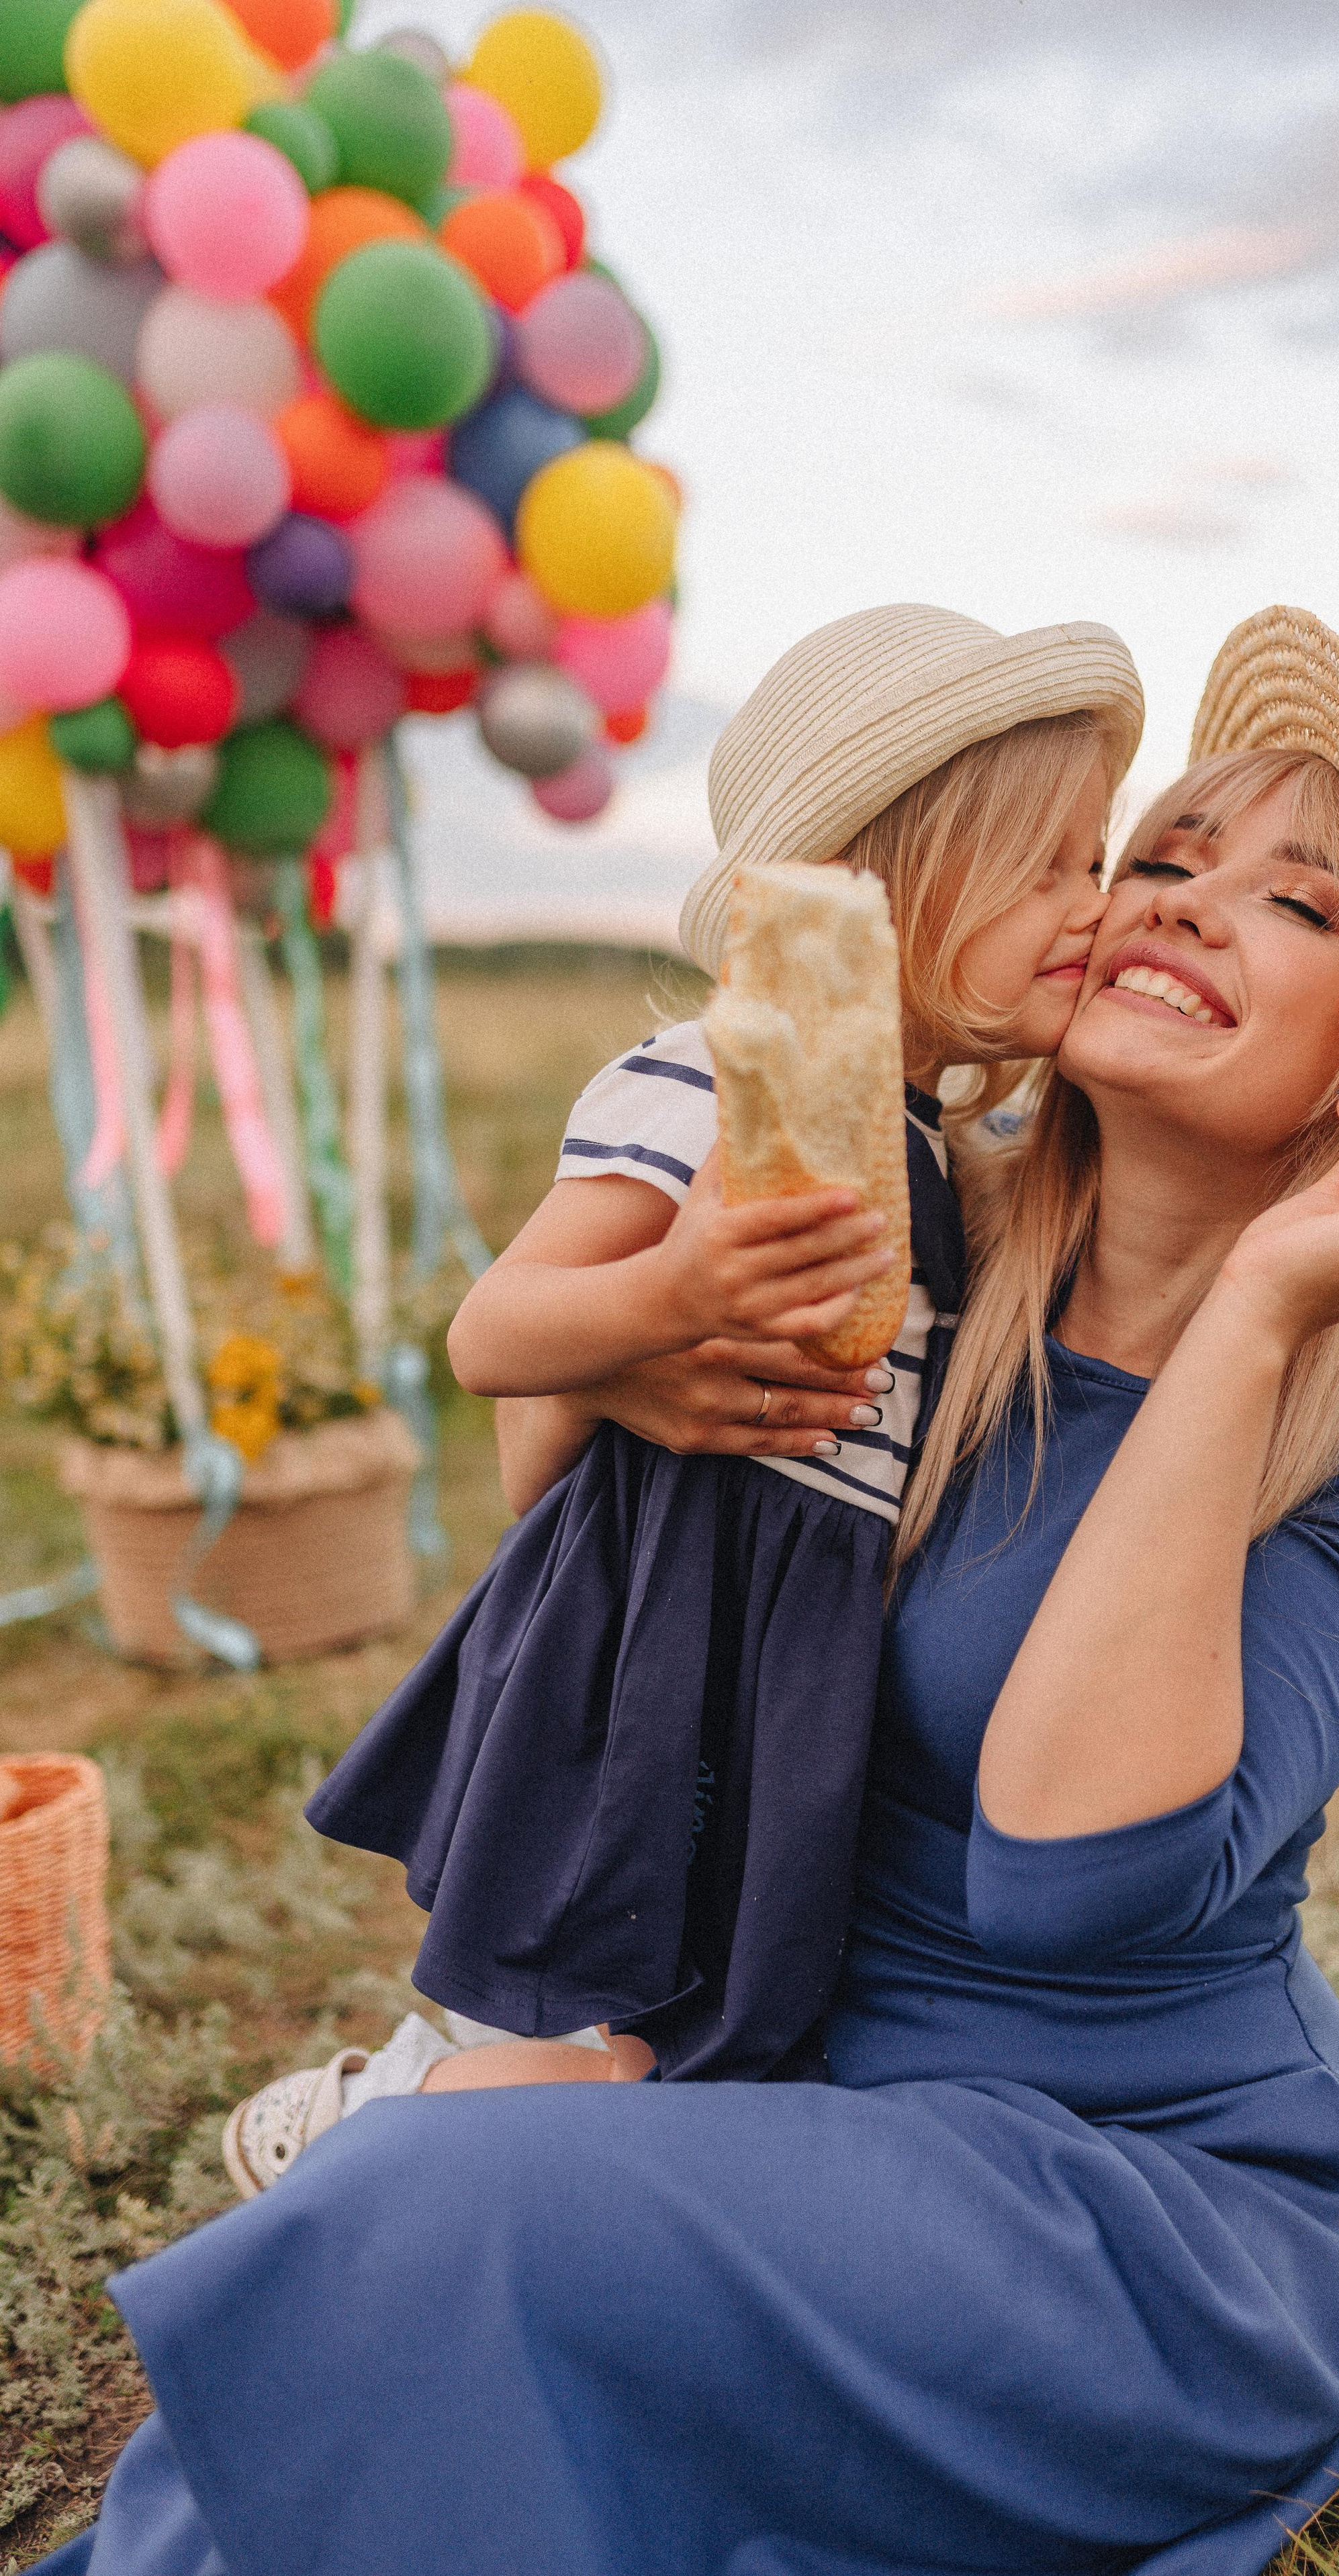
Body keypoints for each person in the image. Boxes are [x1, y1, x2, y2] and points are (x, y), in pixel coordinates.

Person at [41, 608, 1339, 2576]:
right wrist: (633, 1344)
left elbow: (1063, 1857)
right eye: (1168, 856)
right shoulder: (916, 1240)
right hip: (785, 2082)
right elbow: (589, 1522)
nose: (1182, 906)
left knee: (444, 2214)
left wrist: (1264, 1309)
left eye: (1294, 901)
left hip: (1121, 2217)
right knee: (385, 2296)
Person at [224, 605, 1144, 2192]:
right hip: (665, 1601)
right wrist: (668, 1301)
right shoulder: (708, 1078)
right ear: (885, 888)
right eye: (1048, 865)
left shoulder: (937, 1143)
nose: (1096, 900)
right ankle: (381, 2125)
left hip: (807, 1614)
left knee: (726, 1988)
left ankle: (471, 2136)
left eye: (1098, 853)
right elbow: (494, 1331)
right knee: (604, 1959)